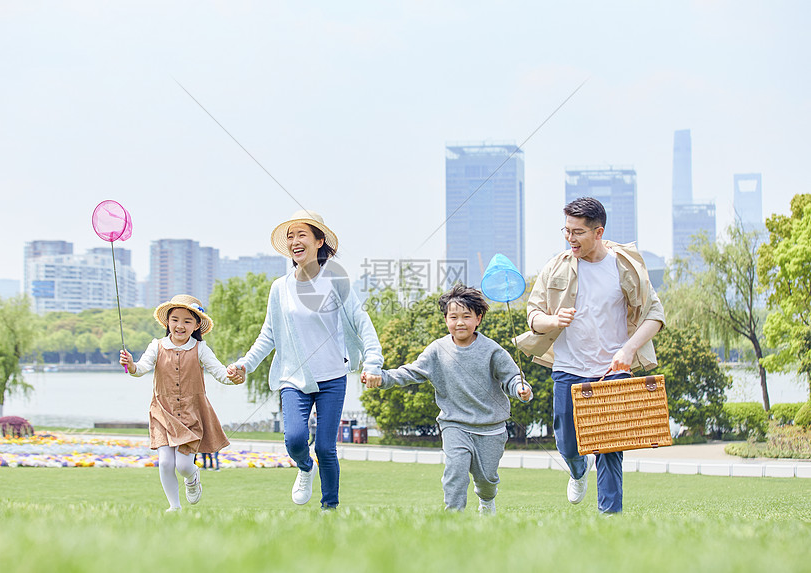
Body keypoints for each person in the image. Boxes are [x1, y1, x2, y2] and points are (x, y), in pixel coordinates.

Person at [514, 197, 665, 514]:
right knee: (567, 442)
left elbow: (654, 314)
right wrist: (553, 321)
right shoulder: (556, 266)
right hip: (568, 369)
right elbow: (533, 316)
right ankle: (578, 469)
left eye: (578, 232)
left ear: (599, 232)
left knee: (611, 449)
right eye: (566, 230)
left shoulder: (625, 266)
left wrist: (628, 349)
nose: (570, 238)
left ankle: (610, 518)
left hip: (613, 369)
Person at [227, 209, 383, 510]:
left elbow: (362, 323)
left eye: (302, 235)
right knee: (295, 440)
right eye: (290, 236)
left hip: (332, 377)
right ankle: (305, 468)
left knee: (326, 447)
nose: (295, 241)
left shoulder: (336, 281)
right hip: (293, 377)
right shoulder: (280, 288)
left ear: (318, 241)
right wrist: (245, 363)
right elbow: (268, 335)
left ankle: (330, 508)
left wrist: (373, 362)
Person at [362, 284, 533, 514]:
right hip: (454, 424)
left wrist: (521, 389)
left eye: (466, 316)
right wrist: (382, 378)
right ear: (446, 320)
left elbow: (512, 378)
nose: (459, 322)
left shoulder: (492, 350)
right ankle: (453, 518)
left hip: (491, 428)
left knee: (486, 480)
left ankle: (486, 500)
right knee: (455, 471)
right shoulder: (437, 350)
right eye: (453, 317)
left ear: (478, 319)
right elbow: (411, 372)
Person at [120, 294, 242, 513]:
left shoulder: (200, 349)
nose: (180, 325)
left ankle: (193, 478)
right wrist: (130, 364)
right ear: (167, 322)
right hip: (162, 412)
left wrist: (232, 375)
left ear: (196, 325)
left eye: (187, 321)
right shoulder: (157, 346)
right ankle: (174, 507)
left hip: (190, 414)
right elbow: (140, 369)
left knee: (184, 465)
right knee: (166, 463)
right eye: (175, 319)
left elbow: (221, 373)